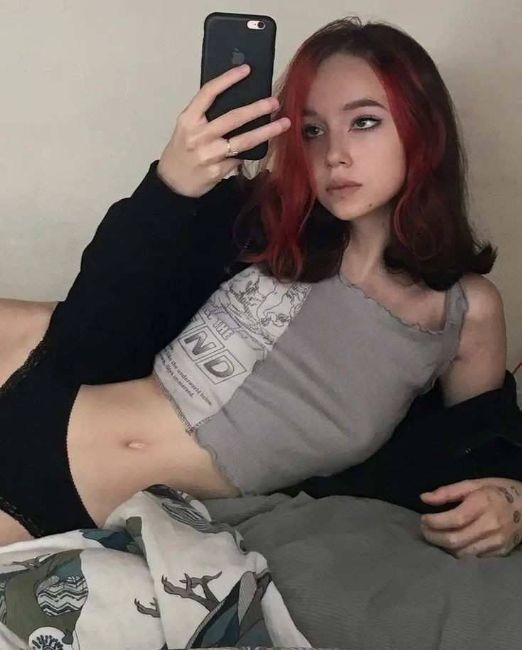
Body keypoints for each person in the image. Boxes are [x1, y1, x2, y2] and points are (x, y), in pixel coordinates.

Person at [0, 17, 516, 557]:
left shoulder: (465, 311)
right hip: (37, 394)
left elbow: (485, 452)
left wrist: (511, 501)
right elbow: (89, 332)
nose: (334, 154)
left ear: (423, 128)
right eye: (312, 130)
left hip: (73, 501)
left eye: (364, 122)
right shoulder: (257, 220)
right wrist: (170, 187)